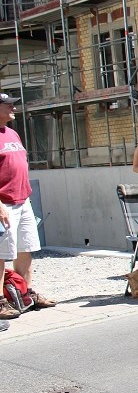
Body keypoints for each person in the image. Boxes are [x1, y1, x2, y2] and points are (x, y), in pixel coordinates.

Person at [0, 93, 55, 319]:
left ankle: (25, 295)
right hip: (4, 203)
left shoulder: (11, 132)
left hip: (23, 200)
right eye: (9, 104)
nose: (14, 107)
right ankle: (1, 302)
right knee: (2, 254)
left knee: (26, 249)